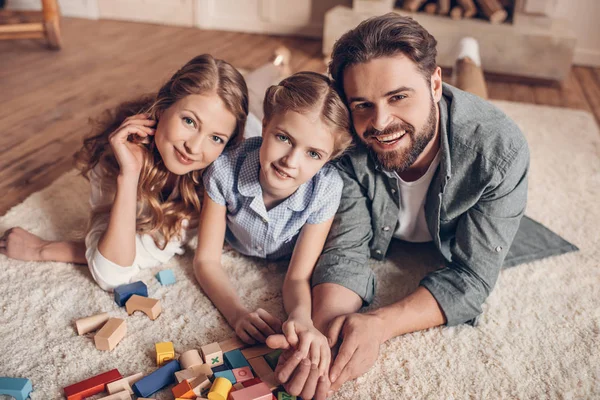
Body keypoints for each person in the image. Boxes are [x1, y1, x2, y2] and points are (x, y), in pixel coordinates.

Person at [267, 14, 572, 399]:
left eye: (398, 96)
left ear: (434, 83)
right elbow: (345, 249)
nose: (380, 123)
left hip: (471, 128)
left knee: (479, 92)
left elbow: (472, 279)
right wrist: (326, 333)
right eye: (363, 103)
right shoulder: (346, 141)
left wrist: (380, 323)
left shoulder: (500, 150)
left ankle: (469, 58)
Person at [0, 54, 248, 291]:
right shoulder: (117, 156)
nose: (193, 147)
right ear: (162, 108)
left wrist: (44, 249)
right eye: (189, 121)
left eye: (216, 138)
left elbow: (116, 264)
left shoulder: (217, 176)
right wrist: (128, 176)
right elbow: (114, 272)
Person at [194, 71, 353, 379]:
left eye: (313, 154)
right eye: (284, 138)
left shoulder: (326, 188)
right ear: (266, 125)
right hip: (238, 222)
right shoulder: (224, 170)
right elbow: (206, 260)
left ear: (328, 158)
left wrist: (301, 316)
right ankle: (272, 68)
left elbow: (296, 277)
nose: (291, 161)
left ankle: (278, 66)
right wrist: (237, 314)